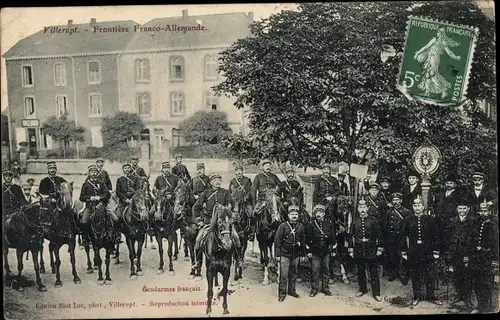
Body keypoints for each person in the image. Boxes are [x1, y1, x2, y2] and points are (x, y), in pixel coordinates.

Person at [400, 197, 442, 306]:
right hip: (414, 252)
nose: (417, 207)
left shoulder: (430, 220)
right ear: (413, 207)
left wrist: (436, 251)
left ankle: (431, 296)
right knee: (416, 275)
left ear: (423, 207)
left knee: (430, 274)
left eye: (419, 205)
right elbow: (403, 236)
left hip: (427, 251)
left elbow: (436, 236)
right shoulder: (408, 220)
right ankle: (417, 296)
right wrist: (404, 251)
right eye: (415, 205)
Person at [192, 174, 239, 266]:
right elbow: (195, 208)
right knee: (198, 240)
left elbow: (234, 204)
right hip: (209, 222)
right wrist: (199, 221)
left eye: (219, 180)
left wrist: (233, 215)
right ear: (211, 183)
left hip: (223, 223)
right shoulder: (206, 193)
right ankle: (197, 262)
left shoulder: (226, 192)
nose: (217, 182)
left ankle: (238, 260)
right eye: (215, 180)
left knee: (236, 237)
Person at [349, 198, 384, 302]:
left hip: (371, 249)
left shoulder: (373, 221)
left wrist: (380, 249)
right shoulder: (355, 222)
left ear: (367, 208)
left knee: (373, 272)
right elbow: (350, 236)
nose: (362, 209)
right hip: (359, 249)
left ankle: (376, 293)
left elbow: (380, 236)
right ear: (358, 209)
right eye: (360, 207)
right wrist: (351, 249)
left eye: (364, 207)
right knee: (360, 271)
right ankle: (362, 289)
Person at [445, 198, 476, 311]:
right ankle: (459, 295)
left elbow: (473, 239)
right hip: (455, 252)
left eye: (464, 208)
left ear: (468, 209)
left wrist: (469, 253)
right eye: (460, 208)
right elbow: (447, 237)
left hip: (466, 253)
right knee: (457, 275)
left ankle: (467, 298)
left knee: (467, 276)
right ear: (457, 209)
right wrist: (449, 252)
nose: (462, 210)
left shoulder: (472, 221)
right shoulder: (452, 220)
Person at [468, 201, 498, 313]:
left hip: (487, 258)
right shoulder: (475, 224)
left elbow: (496, 245)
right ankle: (479, 306)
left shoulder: (494, 226)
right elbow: (471, 241)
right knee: (476, 282)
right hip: (476, 258)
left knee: (487, 283)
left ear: (489, 212)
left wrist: (495, 261)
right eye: (481, 211)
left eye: (486, 211)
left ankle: (487, 306)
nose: (483, 213)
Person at [275, 204, 306, 302]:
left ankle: (292, 291)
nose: (294, 216)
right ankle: (282, 294)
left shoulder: (300, 226)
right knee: (283, 275)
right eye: (292, 214)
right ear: (288, 215)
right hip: (284, 254)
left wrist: (303, 254)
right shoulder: (283, 226)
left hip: (295, 254)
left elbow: (303, 240)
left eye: (296, 214)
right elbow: (277, 241)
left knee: (294, 274)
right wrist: (277, 255)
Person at [305, 204, 335, 297]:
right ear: (315, 213)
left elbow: (333, 238)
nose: (319, 214)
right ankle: (314, 289)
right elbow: (307, 239)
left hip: (326, 251)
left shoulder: (329, 223)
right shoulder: (311, 224)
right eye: (317, 212)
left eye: (321, 212)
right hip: (315, 252)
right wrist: (309, 252)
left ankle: (325, 288)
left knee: (326, 270)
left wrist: (333, 250)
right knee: (315, 271)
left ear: (324, 213)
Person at [79, 165, 113, 245]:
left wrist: (100, 197)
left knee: (114, 219)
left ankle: (112, 239)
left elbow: (107, 194)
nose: (93, 173)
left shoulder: (101, 183)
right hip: (90, 207)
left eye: (95, 172)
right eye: (92, 172)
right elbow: (81, 197)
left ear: (97, 173)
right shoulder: (85, 184)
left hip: (101, 206)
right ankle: (85, 239)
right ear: (89, 173)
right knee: (84, 221)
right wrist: (90, 198)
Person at [385, 192, 412, 285]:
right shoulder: (389, 212)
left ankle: (403, 275)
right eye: (394, 200)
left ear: (401, 201)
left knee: (403, 257)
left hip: (402, 238)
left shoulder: (406, 212)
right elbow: (386, 225)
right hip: (392, 238)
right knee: (393, 257)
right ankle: (394, 273)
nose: (395, 202)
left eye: (397, 200)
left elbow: (409, 226)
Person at [432, 172, 461, 252]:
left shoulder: (458, 195)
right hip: (439, 221)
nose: (449, 185)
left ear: (455, 185)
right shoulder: (440, 194)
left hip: (451, 221)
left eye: (451, 183)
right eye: (447, 183)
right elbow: (435, 206)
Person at [115, 163, 142, 244]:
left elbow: (138, 190)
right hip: (123, 202)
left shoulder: (135, 178)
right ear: (123, 170)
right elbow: (118, 192)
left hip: (134, 202)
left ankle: (145, 230)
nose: (127, 169)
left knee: (143, 214)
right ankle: (117, 234)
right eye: (125, 168)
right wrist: (125, 199)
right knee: (117, 216)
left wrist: (133, 199)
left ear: (130, 169)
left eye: (128, 168)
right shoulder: (120, 179)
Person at [151, 161, 179, 231]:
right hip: (160, 200)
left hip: (172, 199)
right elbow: (154, 189)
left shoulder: (175, 177)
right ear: (162, 169)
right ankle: (152, 228)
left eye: (168, 168)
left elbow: (179, 190)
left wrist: (172, 196)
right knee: (151, 211)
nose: (166, 170)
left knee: (179, 213)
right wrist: (157, 194)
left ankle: (178, 228)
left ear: (170, 169)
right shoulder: (158, 178)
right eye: (165, 168)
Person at [228, 162, 254, 240]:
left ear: (243, 172)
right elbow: (230, 192)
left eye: (240, 171)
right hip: (236, 203)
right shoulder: (233, 181)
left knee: (251, 213)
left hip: (245, 202)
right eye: (237, 171)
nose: (239, 172)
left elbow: (250, 190)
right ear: (235, 172)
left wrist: (246, 197)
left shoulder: (247, 180)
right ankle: (229, 231)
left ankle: (251, 231)